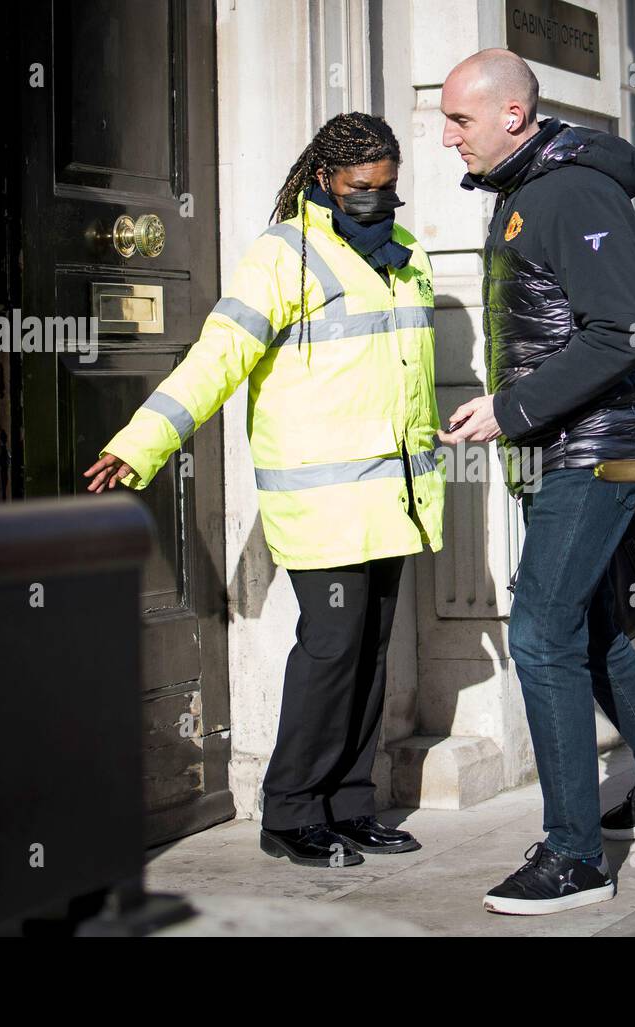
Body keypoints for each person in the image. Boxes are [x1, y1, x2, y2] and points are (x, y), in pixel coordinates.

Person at [83, 112, 445, 869]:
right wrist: (141, 440)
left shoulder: (408, 256)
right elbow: (215, 361)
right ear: (323, 181)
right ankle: (289, 810)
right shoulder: (282, 257)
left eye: (387, 188)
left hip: (398, 492)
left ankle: (351, 802)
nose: (376, 201)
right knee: (331, 649)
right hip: (324, 498)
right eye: (360, 189)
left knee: (373, 650)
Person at [437, 49, 635, 915]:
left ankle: (574, 857)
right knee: (588, 625)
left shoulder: (570, 192)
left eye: (460, 120)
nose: (448, 138)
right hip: (559, 444)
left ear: (513, 116)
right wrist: (517, 415)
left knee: (539, 632)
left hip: (593, 448)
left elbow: (618, 332)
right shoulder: (527, 193)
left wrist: (511, 409)